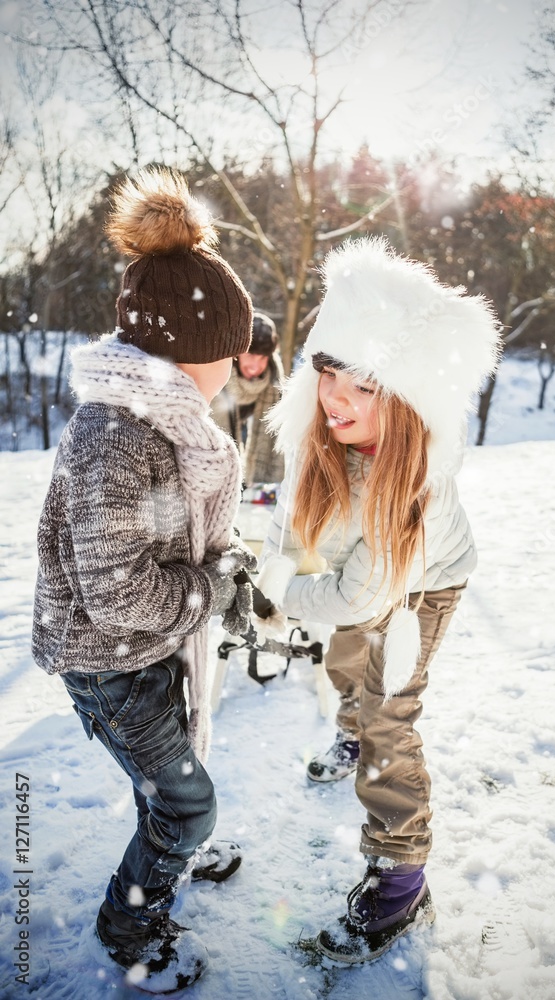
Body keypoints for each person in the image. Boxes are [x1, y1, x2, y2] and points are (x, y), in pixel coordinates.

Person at [31, 168, 265, 993]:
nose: (236, 368)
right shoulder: (113, 437)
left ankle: (171, 845)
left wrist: (224, 565)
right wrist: (212, 592)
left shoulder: (164, 421)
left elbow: (178, 539)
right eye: (226, 353)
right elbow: (118, 594)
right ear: (181, 353)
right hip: (109, 658)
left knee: (167, 788)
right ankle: (128, 924)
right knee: (185, 801)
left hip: (153, 643)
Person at [256, 236, 502, 964]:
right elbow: (291, 531)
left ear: (402, 395)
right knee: (344, 661)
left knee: (386, 711)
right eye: (327, 372)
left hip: (424, 584)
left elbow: (354, 591)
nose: (334, 396)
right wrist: (275, 573)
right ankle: (347, 724)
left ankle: (401, 876)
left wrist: (281, 603)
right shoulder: (324, 428)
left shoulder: (411, 480)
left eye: (361, 384)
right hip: (367, 576)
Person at [210, 311, 285, 487]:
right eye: (251, 355)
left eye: (263, 358)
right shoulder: (217, 377)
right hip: (226, 423)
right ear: (237, 353)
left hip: (250, 423)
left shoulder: (272, 380)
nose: (256, 366)